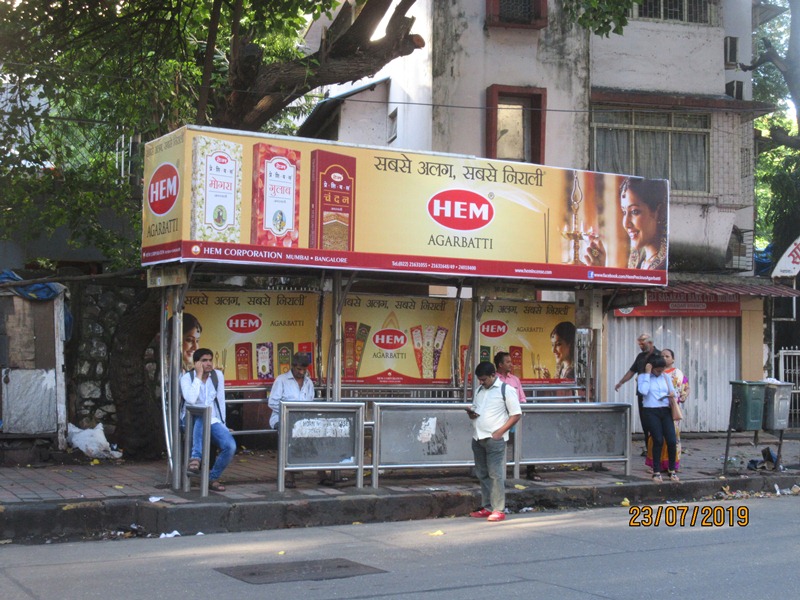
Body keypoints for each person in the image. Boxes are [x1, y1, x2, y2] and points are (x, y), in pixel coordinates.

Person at [466, 361, 522, 522]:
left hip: (494, 438)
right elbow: (476, 408)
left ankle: (499, 508)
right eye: (480, 380)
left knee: (495, 473)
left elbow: (516, 414)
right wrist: (472, 414)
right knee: (482, 473)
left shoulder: (506, 390)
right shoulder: (479, 390)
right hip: (478, 436)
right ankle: (487, 506)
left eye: (484, 379)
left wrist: (500, 432)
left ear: (493, 375)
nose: (482, 382)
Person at [180, 347, 236, 492]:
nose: (209, 363)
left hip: (212, 419)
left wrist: (223, 424)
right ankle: (196, 457)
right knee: (201, 414)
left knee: (230, 446)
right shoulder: (187, 378)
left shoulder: (217, 375)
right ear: (197, 363)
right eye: (204, 361)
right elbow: (191, 399)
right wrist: (198, 376)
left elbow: (220, 401)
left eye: (210, 360)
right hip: (191, 419)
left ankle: (212, 477)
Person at [583, 177, 668, 270]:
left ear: (659, 212)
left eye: (635, 212)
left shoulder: (664, 268)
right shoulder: (641, 264)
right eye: (624, 212)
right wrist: (599, 269)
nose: (626, 223)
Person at [268, 352, 316, 488]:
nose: (301, 372)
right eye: (299, 369)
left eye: (304, 370)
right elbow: (272, 402)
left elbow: (310, 403)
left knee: (318, 434)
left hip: (302, 420)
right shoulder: (281, 380)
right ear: (292, 367)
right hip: (282, 418)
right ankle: (289, 474)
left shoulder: (308, 382)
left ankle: (321, 472)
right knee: (290, 436)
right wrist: (290, 413)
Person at [494, 351, 539, 480]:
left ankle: (531, 470)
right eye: (508, 362)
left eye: (511, 361)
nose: (511, 364)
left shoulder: (515, 380)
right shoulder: (494, 380)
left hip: (515, 418)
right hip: (499, 419)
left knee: (528, 439)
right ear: (500, 364)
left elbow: (522, 399)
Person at [646, 348, 689, 473]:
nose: (664, 358)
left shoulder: (677, 373)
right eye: (662, 356)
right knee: (656, 438)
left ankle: (671, 465)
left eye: (667, 356)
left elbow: (686, 387)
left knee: (671, 438)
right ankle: (655, 465)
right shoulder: (653, 373)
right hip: (654, 410)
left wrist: (684, 395)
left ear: (673, 359)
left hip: (671, 408)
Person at [615, 333, 659, 454]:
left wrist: (648, 374)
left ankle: (655, 449)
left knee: (653, 422)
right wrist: (621, 382)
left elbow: (661, 373)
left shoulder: (658, 355)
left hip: (654, 394)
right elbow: (632, 371)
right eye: (639, 344)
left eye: (643, 344)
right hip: (641, 393)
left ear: (650, 343)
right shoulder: (640, 356)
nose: (641, 346)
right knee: (645, 422)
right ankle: (648, 448)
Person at [637, 354, 679, 482]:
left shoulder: (665, 377)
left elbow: (674, 392)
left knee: (671, 440)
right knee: (658, 440)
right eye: (657, 370)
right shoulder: (643, 377)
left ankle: (672, 470)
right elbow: (643, 391)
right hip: (651, 411)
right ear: (651, 367)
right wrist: (648, 373)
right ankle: (656, 471)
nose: (660, 372)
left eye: (662, 369)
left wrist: (672, 394)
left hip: (665, 410)